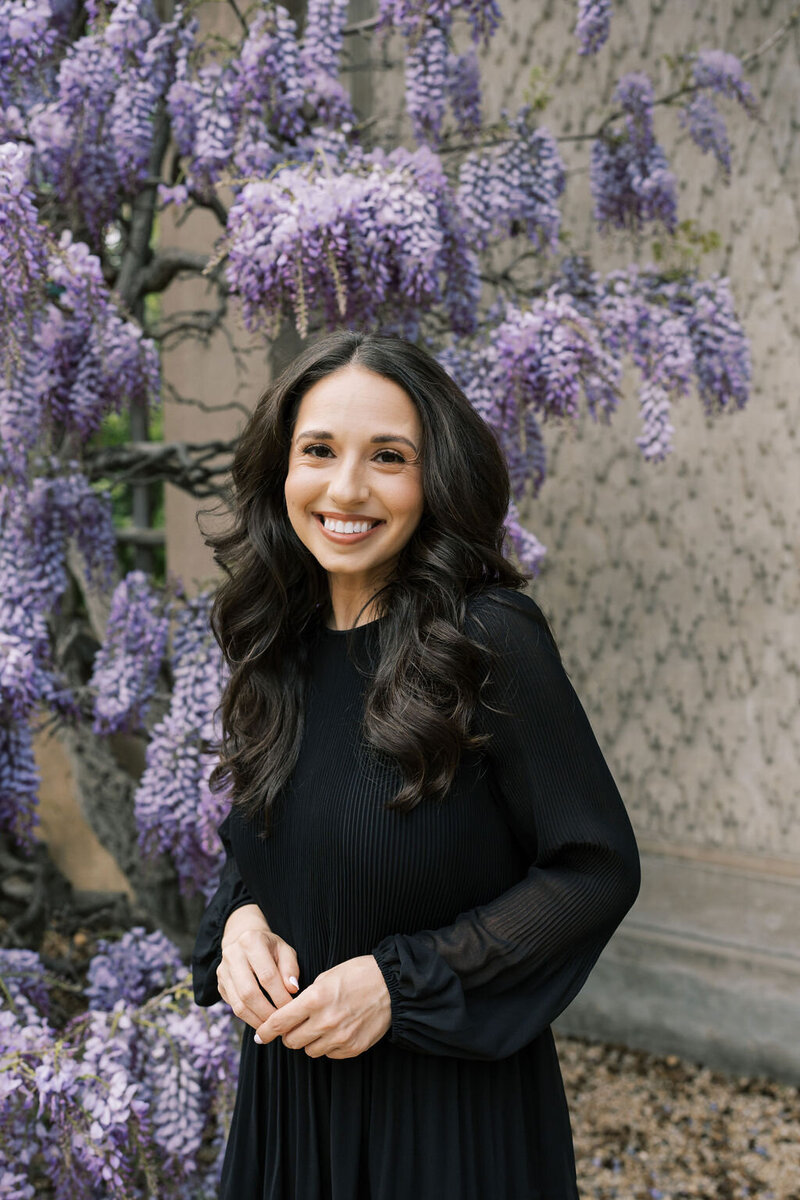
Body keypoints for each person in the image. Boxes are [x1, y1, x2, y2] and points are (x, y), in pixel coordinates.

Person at [192, 329, 641, 1199]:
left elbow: (594, 869)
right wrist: (240, 925)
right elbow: (265, 846)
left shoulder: (487, 639)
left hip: (444, 1124)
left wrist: (402, 984)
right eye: (318, 450)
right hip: (290, 1106)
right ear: (280, 469)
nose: (346, 488)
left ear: (433, 481)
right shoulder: (274, 641)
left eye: (388, 457)